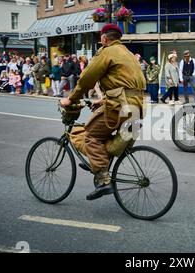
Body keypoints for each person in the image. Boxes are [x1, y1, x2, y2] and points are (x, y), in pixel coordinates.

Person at [60, 23, 146, 200]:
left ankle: (102, 179)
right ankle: (99, 161)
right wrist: (103, 100)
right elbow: (125, 85)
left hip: (119, 107)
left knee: (91, 136)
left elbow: (86, 79)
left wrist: (71, 99)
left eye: (101, 38)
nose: (101, 41)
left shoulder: (106, 52)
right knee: (103, 133)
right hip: (137, 106)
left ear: (105, 38)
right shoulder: (129, 54)